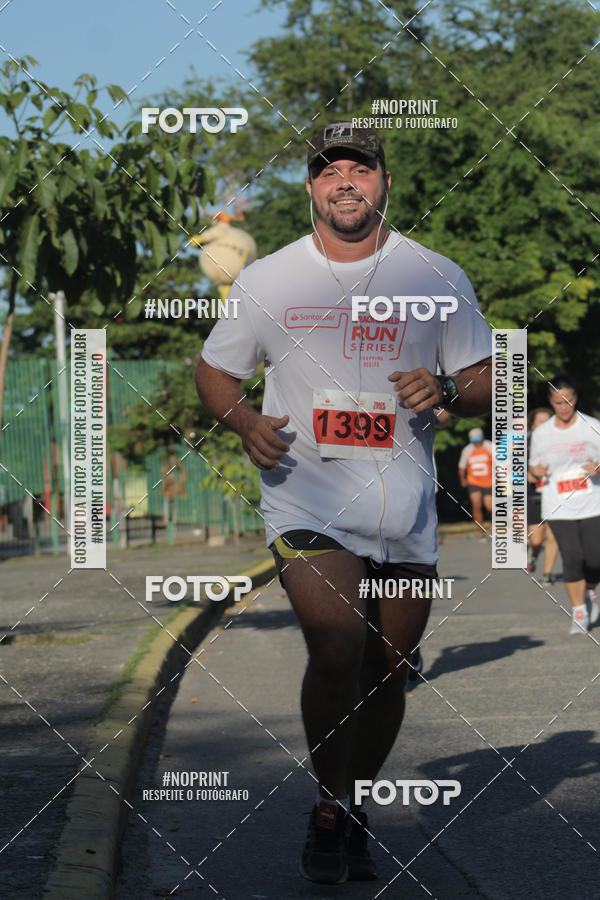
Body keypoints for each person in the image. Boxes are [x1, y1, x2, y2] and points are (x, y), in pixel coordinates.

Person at [196, 122, 492, 884]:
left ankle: (353, 799)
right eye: (331, 172)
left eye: (361, 168)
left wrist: (451, 388)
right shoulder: (268, 280)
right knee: (337, 648)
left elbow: (494, 375)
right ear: (311, 188)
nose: (347, 181)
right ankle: (329, 805)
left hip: (403, 506)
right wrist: (244, 422)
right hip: (307, 495)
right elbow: (216, 373)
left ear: (384, 182)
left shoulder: (434, 274)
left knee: (388, 667)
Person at [529, 374, 600, 634]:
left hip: (593, 502)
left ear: (576, 398)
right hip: (558, 505)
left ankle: (590, 593)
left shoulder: (591, 426)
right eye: (559, 402)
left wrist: (598, 468)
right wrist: (535, 470)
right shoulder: (542, 434)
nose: (565, 407)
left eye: (569, 401)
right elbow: (533, 468)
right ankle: (579, 612)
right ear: (550, 402)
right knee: (572, 557)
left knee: (595, 559)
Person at [526, 407, 558, 582]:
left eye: (548, 421)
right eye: (540, 421)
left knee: (553, 535)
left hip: (555, 492)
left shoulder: (560, 442)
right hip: (534, 494)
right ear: (532, 425)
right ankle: (534, 554)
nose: (545, 425)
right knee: (537, 539)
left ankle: (547, 574)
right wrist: (528, 474)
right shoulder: (525, 445)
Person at [458, 427, 493, 534]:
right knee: (476, 504)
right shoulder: (468, 449)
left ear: (482, 438)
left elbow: (500, 461)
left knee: (490, 506)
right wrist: (463, 479)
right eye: (474, 440)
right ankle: (480, 529)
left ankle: (493, 524)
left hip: (489, 481)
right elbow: (462, 466)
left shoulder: (489, 446)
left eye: (478, 439)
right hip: (474, 481)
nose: (477, 442)